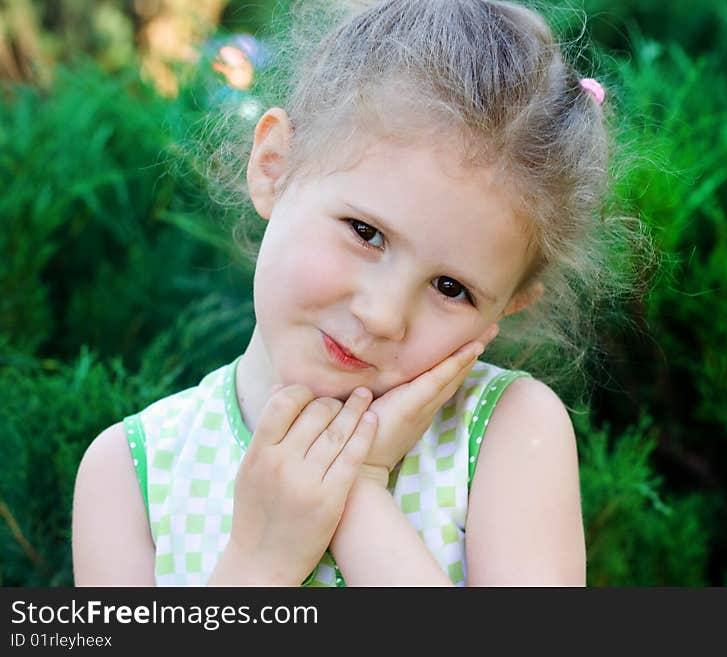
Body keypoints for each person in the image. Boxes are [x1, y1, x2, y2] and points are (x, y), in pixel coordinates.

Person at [72, 0, 625, 587]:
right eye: (367, 233)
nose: (384, 315)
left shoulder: (504, 435)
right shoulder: (131, 476)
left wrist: (358, 497)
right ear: (274, 165)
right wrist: (260, 562)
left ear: (508, 305)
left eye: (450, 288)